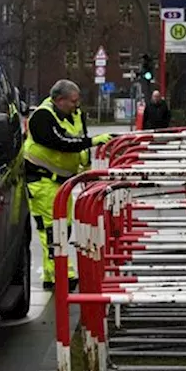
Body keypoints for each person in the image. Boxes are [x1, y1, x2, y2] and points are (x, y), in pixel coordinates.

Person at [21, 79, 113, 290]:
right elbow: (61, 143)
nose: (76, 105)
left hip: (63, 182)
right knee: (52, 230)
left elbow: (79, 139)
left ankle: (53, 274)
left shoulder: (75, 114)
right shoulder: (42, 117)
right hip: (42, 181)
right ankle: (61, 275)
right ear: (58, 99)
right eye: (72, 101)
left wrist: (88, 168)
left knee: (65, 227)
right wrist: (93, 142)